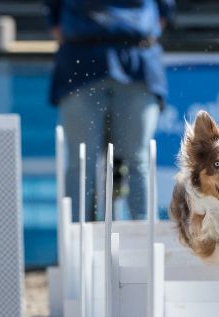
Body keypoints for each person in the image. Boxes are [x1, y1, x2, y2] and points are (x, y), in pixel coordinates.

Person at [44, 0, 175, 221]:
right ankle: (76, 249)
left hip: (137, 62)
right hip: (80, 61)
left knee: (137, 160)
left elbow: (165, 10)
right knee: (81, 161)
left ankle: (143, 244)